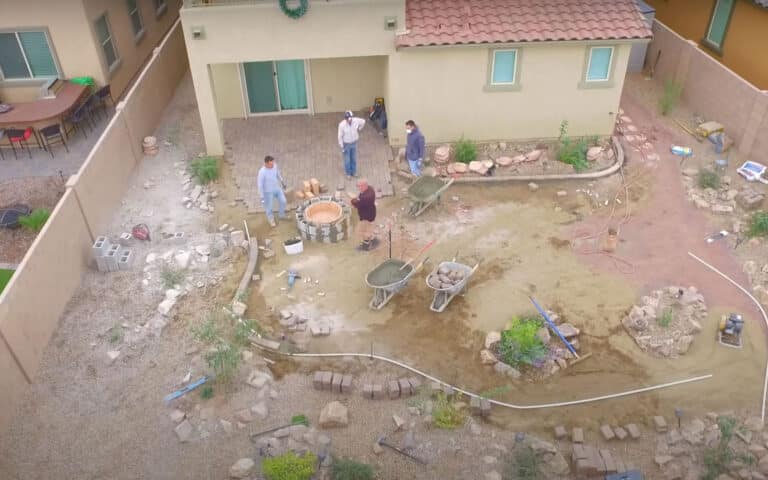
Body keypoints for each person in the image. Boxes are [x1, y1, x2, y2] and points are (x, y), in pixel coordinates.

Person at [257, 155, 287, 228]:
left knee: (283, 201)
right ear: (266, 163)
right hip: (268, 192)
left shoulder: (274, 165)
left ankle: (281, 215)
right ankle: (271, 219)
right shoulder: (262, 172)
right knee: (269, 207)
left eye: (273, 163)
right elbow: (260, 185)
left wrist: (282, 182)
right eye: (271, 164)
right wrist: (262, 197)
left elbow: (278, 174)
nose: (273, 165)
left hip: (276, 188)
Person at [349, 178, 377, 250]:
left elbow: (357, 204)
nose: (359, 188)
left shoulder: (366, 197)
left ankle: (366, 246)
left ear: (365, 185)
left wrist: (352, 200)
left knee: (360, 231)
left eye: (360, 186)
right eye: (358, 186)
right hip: (371, 213)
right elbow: (360, 200)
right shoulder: (370, 189)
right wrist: (357, 199)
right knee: (368, 228)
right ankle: (373, 239)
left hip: (366, 217)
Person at [338, 110, 366, 180]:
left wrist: (359, 128)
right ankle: (348, 173)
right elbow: (339, 136)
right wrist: (342, 146)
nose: (348, 121)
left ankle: (354, 172)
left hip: (354, 143)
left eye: (349, 119)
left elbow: (363, 121)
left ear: (352, 117)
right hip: (346, 144)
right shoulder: (342, 125)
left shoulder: (356, 120)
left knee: (353, 158)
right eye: (347, 119)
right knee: (347, 160)